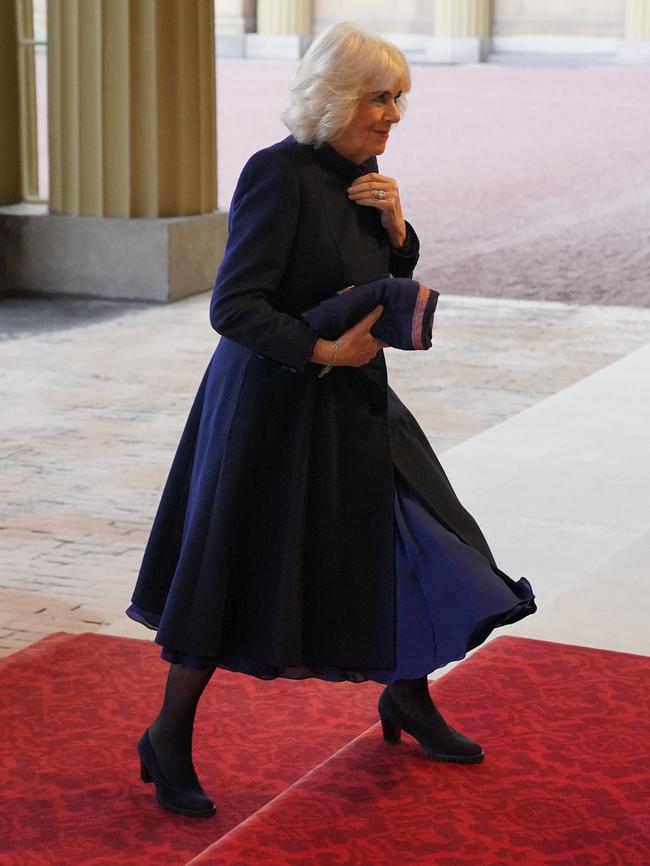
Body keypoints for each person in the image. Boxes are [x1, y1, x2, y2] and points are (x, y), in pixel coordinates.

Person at [126, 22, 536, 818]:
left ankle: (406, 696)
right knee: (234, 569)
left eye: (398, 98)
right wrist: (319, 351)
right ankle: (167, 734)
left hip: (356, 401)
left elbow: (371, 282)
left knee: (419, 537)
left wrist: (399, 234)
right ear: (337, 97)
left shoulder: (366, 173)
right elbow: (234, 306)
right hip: (271, 407)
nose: (393, 114)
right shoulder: (275, 175)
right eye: (381, 97)